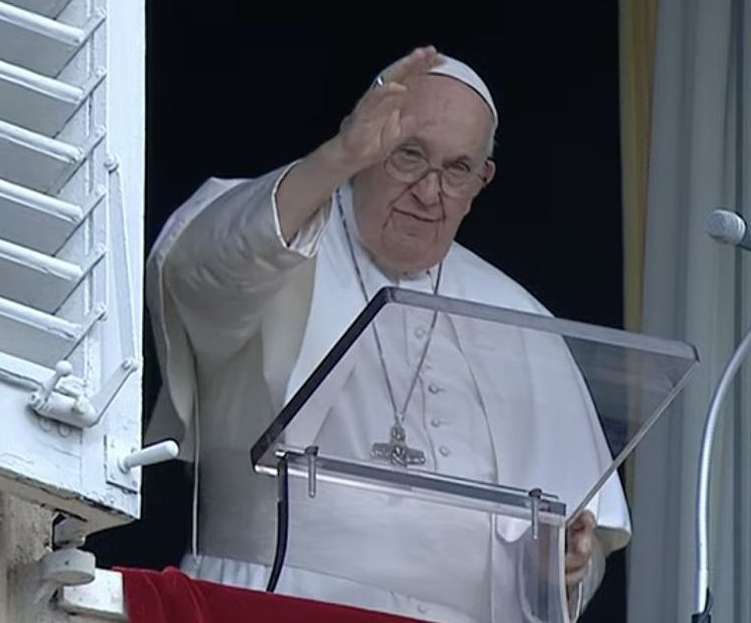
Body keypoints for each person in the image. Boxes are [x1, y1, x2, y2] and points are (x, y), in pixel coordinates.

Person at [142, 47, 627, 622]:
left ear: (483, 179)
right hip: (267, 605)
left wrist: (562, 570)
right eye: (408, 157)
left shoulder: (521, 316)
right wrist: (332, 161)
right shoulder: (284, 235)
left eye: (457, 170)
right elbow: (201, 268)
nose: (429, 191)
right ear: (366, 148)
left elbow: (580, 543)